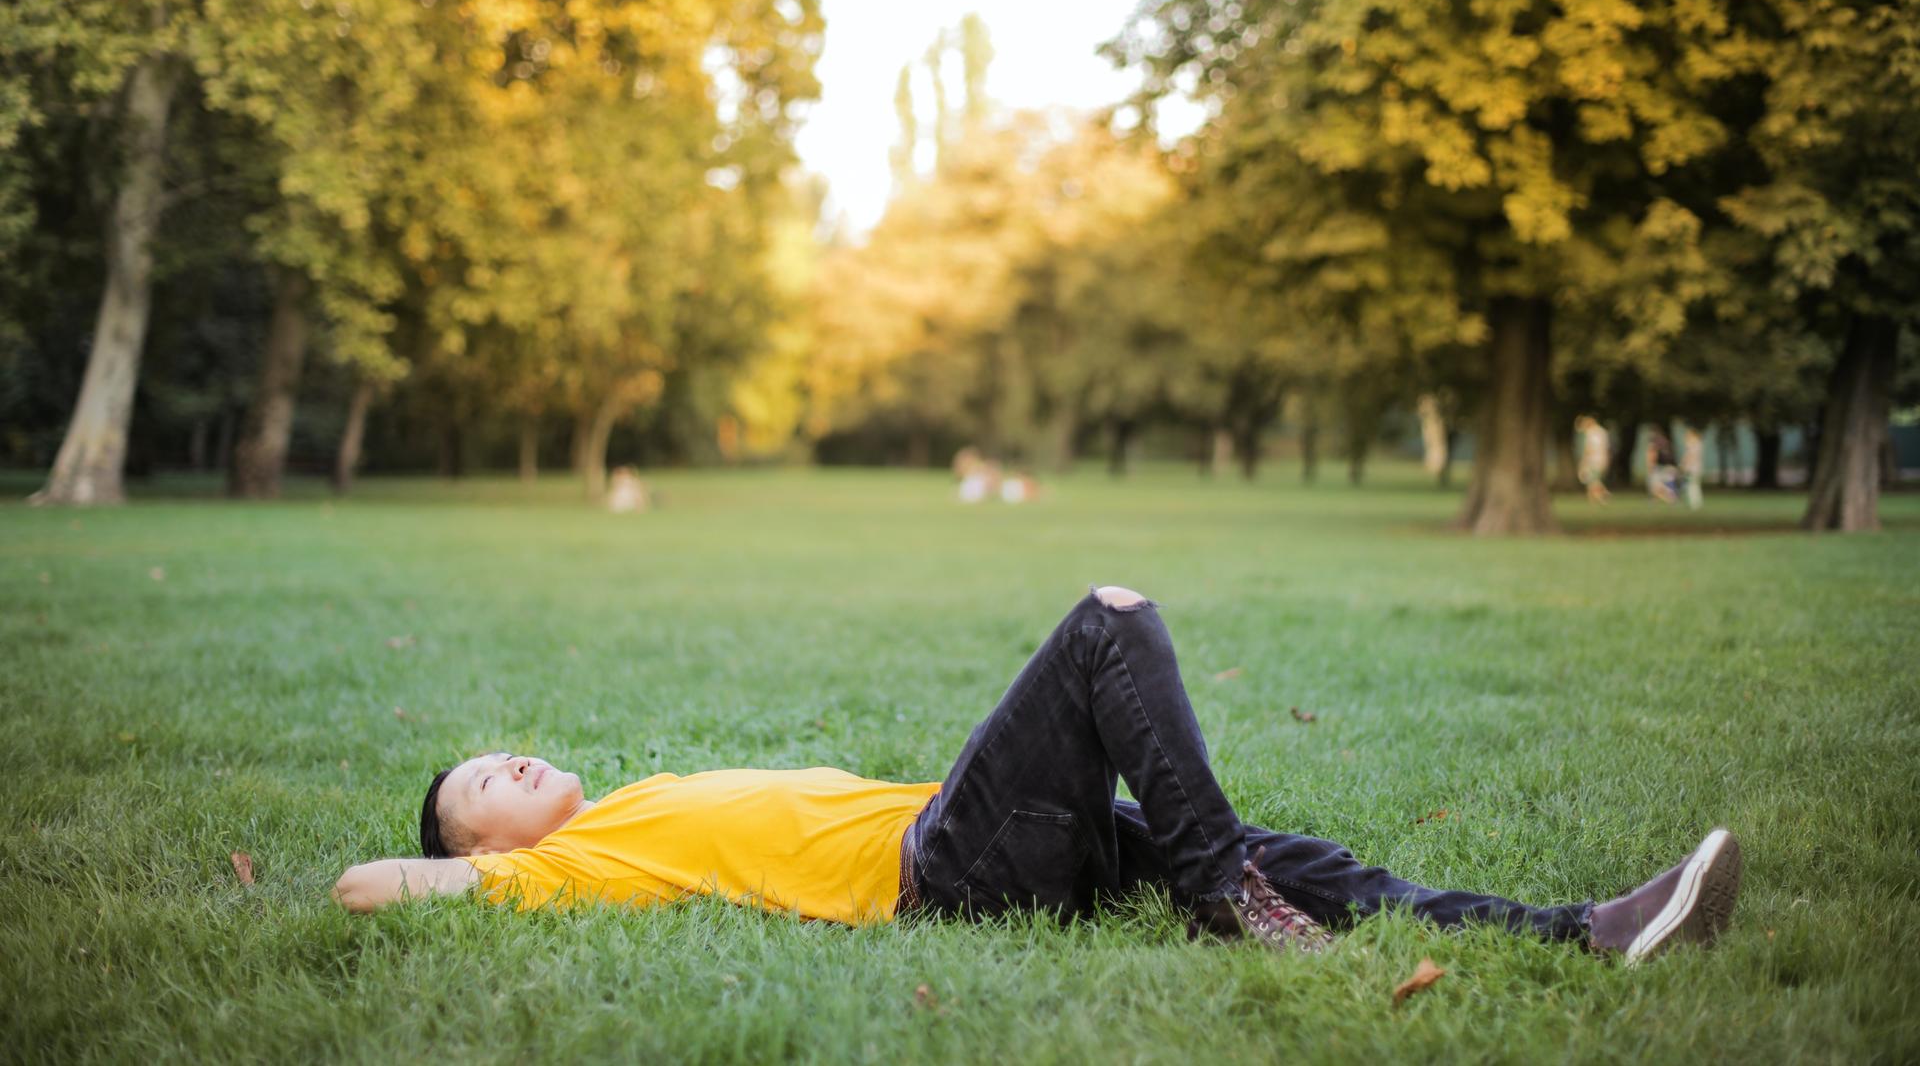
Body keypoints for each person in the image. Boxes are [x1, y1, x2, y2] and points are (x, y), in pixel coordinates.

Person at [333, 587, 1743, 963]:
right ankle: (1210, 891)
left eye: (497, 754)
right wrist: (467, 867)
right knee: (1107, 626)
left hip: (990, 850)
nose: (507, 762)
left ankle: (1589, 929)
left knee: (1298, 864)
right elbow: (359, 887)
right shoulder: (568, 871)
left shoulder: (634, 803)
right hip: (950, 872)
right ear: (493, 851)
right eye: (484, 784)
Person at [1575, 416, 1612, 504]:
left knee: (1592, 480)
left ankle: (1600, 496)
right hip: (1601, 459)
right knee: (1594, 479)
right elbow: (1606, 448)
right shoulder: (1603, 432)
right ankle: (1596, 498)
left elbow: (1589, 448)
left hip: (1592, 459)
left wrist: (1584, 460)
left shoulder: (1590, 433)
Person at [1645, 428, 1680, 504]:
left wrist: (1650, 466)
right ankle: (1669, 497)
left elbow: (1652, 457)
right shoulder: (1665, 443)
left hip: (1661, 468)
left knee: (1656, 486)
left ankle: (1669, 497)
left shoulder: (1654, 445)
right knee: (1661, 485)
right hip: (1668, 468)